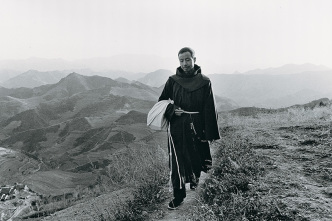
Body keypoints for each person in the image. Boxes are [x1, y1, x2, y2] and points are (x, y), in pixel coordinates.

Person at [158, 47, 220, 210]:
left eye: (187, 59)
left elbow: (209, 107)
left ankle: (194, 179)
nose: (184, 63)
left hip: (197, 124)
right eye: (181, 60)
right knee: (177, 161)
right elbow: (162, 101)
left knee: (196, 156)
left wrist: (210, 131)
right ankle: (178, 196)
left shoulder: (205, 81)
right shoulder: (172, 81)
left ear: (194, 59)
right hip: (177, 126)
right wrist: (172, 109)